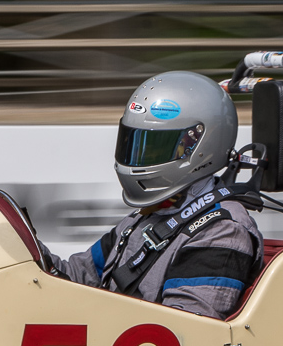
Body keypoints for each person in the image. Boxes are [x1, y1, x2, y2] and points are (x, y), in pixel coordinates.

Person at [38, 71, 263, 320]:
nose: (140, 157)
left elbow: (186, 334)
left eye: (156, 146)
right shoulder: (146, 216)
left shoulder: (221, 232)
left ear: (199, 146)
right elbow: (74, 278)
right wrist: (21, 246)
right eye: (135, 143)